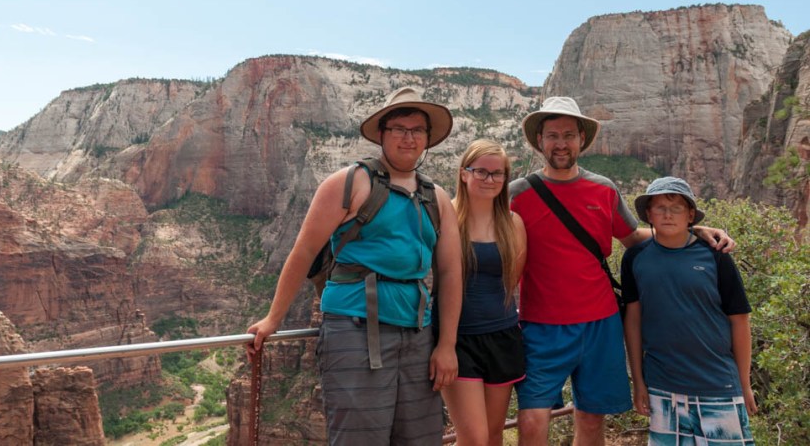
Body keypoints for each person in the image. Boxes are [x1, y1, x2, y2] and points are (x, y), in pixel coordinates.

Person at [508, 96, 735, 446]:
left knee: (591, 418)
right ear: (540, 140)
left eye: (568, 135)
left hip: (600, 323)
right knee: (532, 419)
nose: (561, 143)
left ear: (582, 139)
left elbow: (632, 237)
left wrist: (692, 231)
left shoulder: (603, 189)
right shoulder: (517, 193)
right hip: (541, 325)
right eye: (552, 135)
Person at [245, 86, 462, 445]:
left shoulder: (436, 198)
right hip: (354, 328)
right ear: (382, 134)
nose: (408, 138)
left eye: (417, 130)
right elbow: (303, 251)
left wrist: (447, 345)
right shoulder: (348, 183)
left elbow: (451, 273)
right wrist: (273, 319)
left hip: (418, 333)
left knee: (421, 437)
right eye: (399, 129)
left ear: (427, 138)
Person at [622, 177, 756, 445]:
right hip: (662, 384)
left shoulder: (716, 254)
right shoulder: (635, 258)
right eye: (660, 207)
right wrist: (638, 382)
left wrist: (744, 383)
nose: (668, 214)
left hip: (718, 383)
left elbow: (740, 320)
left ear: (690, 215)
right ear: (648, 214)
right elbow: (633, 321)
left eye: (677, 208)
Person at [437, 139, 527, 446]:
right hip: (457, 340)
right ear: (464, 173)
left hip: (502, 336)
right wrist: (444, 345)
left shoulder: (512, 224)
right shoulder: (445, 218)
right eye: (481, 172)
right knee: (473, 438)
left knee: (493, 434)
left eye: (497, 173)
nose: (490, 179)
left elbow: (512, 280)